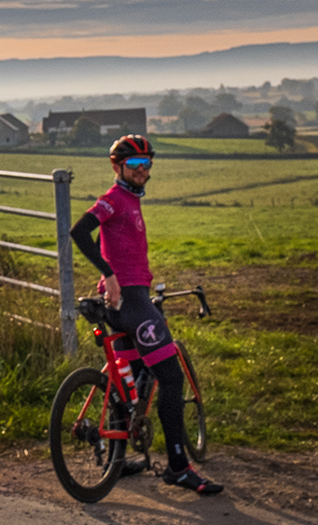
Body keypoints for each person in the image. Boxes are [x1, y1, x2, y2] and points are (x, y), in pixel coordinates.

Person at [69, 135, 224, 496]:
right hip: (133, 303)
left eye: (146, 165)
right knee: (170, 378)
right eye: (135, 166)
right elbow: (79, 231)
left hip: (133, 301)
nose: (142, 172)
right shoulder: (114, 199)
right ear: (117, 167)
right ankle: (178, 467)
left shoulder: (130, 200)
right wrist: (108, 273)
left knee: (134, 375)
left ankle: (116, 459)